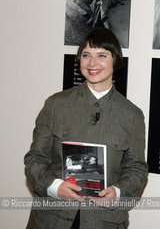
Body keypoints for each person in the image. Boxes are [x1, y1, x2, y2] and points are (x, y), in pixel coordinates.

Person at [24, 28, 148, 228]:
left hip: (103, 220)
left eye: (102, 55)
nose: (92, 63)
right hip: (52, 218)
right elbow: (34, 159)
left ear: (115, 61)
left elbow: (136, 168)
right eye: (86, 55)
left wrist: (117, 193)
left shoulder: (132, 115)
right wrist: (55, 187)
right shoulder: (55, 105)